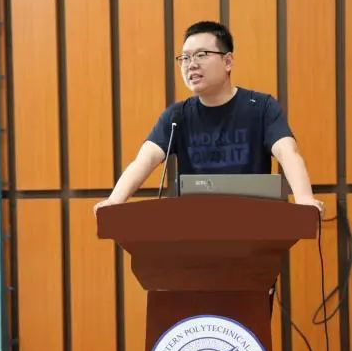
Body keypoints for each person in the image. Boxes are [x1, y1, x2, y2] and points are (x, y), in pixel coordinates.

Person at [93, 20, 324, 216]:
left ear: (228, 61)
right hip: (195, 229)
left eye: (201, 55)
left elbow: (288, 153)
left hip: (253, 226)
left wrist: (304, 199)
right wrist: (114, 201)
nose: (191, 65)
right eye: (185, 58)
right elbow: (144, 160)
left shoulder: (261, 107)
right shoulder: (177, 116)